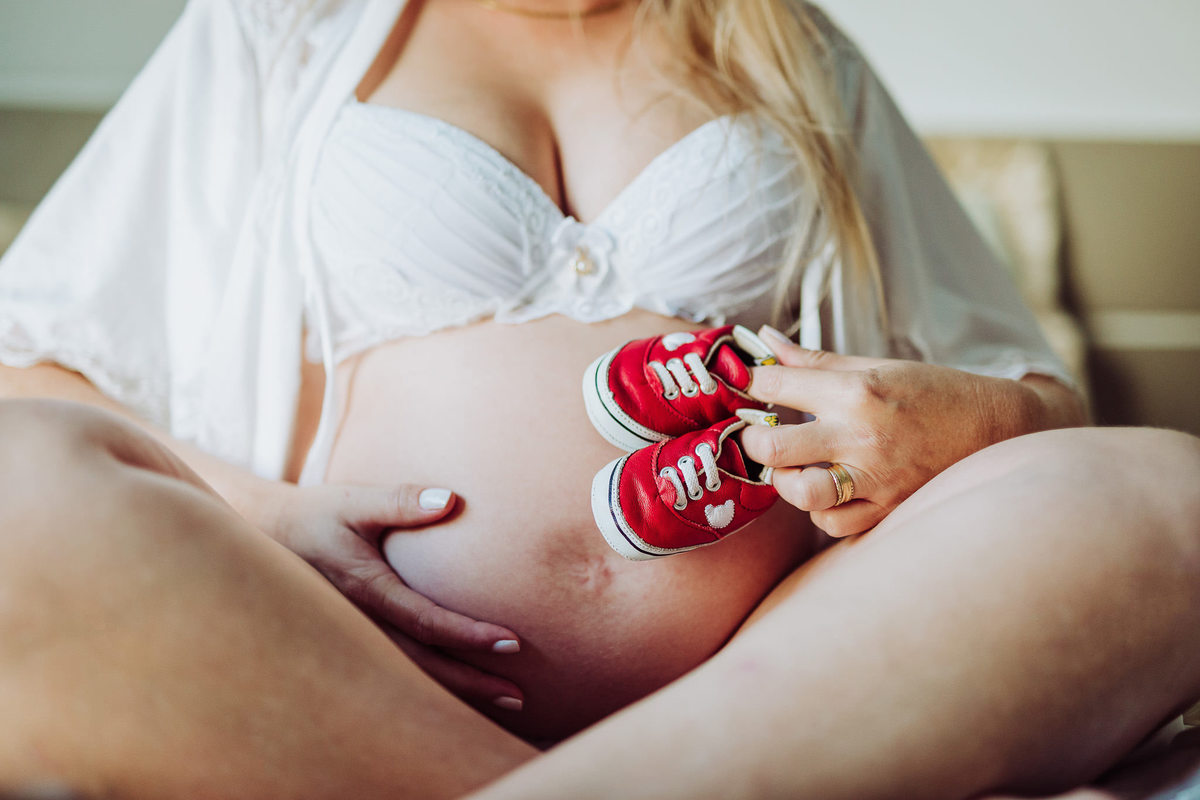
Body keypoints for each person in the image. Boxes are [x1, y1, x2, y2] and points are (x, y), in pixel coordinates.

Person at [0, 0, 1198, 797]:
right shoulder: (285, 23)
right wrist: (258, 510)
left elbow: (1036, 396)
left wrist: (954, 420)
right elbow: (24, 355)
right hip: (349, 659)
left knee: (1171, 496)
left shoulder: (791, 46)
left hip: (784, 657)